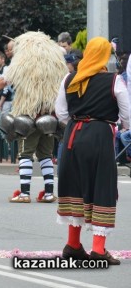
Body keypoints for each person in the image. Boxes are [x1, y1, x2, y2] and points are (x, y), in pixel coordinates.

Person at [55, 37, 128, 265]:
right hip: (99, 135)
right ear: (105, 56)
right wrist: (114, 123)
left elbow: (61, 113)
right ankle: (98, 248)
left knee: (74, 186)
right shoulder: (113, 81)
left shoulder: (70, 78)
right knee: (101, 186)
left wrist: (79, 120)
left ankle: (74, 245)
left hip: (73, 136)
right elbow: (127, 115)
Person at [0, 31, 67, 203]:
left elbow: (3, 81)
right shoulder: (57, 64)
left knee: (25, 154)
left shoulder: (23, 63)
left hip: (28, 114)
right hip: (48, 116)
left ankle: (24, 193)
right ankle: (49, 193)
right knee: (45, 154)